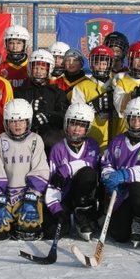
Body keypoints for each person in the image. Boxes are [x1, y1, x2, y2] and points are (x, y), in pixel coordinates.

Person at [101, 97, 140, 247]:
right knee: (119, 235)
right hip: (122, 194)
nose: (136, 124)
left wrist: (123, 175)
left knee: (139, 187)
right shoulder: (118, 141)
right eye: (133, 119)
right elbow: (107, 163)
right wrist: (110, 178)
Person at [0, 98, 50, 240]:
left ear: (29, 121)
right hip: (5, 196)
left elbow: (40, 169)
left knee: (28, 229)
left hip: (27, 197)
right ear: (6, 122)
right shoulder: (1, 140)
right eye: (13, 121)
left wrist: (33, 194)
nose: (18, 125)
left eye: (22, 121)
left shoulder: (35, 140)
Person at [43, 103, 101, 241]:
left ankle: (82, 215)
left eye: (81, 125)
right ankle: (68, 219)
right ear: (66, 124)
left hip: (84, 195)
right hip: (64, 194)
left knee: (88, 173)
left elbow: (91, 163)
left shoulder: (92, 145)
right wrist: (56, 209)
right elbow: (53, 182)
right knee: (51, 232)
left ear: (87, 128)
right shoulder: (58, 148)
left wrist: (67, 169)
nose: (76, 129)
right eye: (73, 124)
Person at [14, 49, 69, 157]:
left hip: (51, 141)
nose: (39, 71)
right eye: (36, 68)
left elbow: (64, 116)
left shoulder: (57, 92)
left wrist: (48, 116)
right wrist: (31, 114)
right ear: (30, 68)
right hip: (25, 141)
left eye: (43, 68)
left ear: (49, 69)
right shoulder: (21, 91)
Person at [70, 45, 116, 152]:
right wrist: (92, 106)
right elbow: (75, 116)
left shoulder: (118, 82)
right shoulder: (81, 87)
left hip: (116, 140)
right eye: (97, 63)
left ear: (110, 64)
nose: (101, 66)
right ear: (91, 64)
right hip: (91, 142)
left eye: (104, 64)